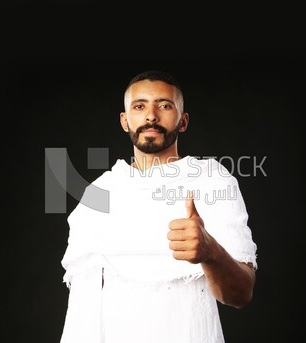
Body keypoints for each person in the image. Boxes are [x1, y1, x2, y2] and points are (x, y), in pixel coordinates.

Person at [59, 70, 258, 343]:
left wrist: (211, 252)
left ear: (183, 121)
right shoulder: (97, 194)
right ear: (124, 120)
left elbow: (240, 294)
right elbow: (81, 308)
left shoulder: (212, 180)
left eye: (164, 105)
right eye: (139, 106)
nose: (151, 115)